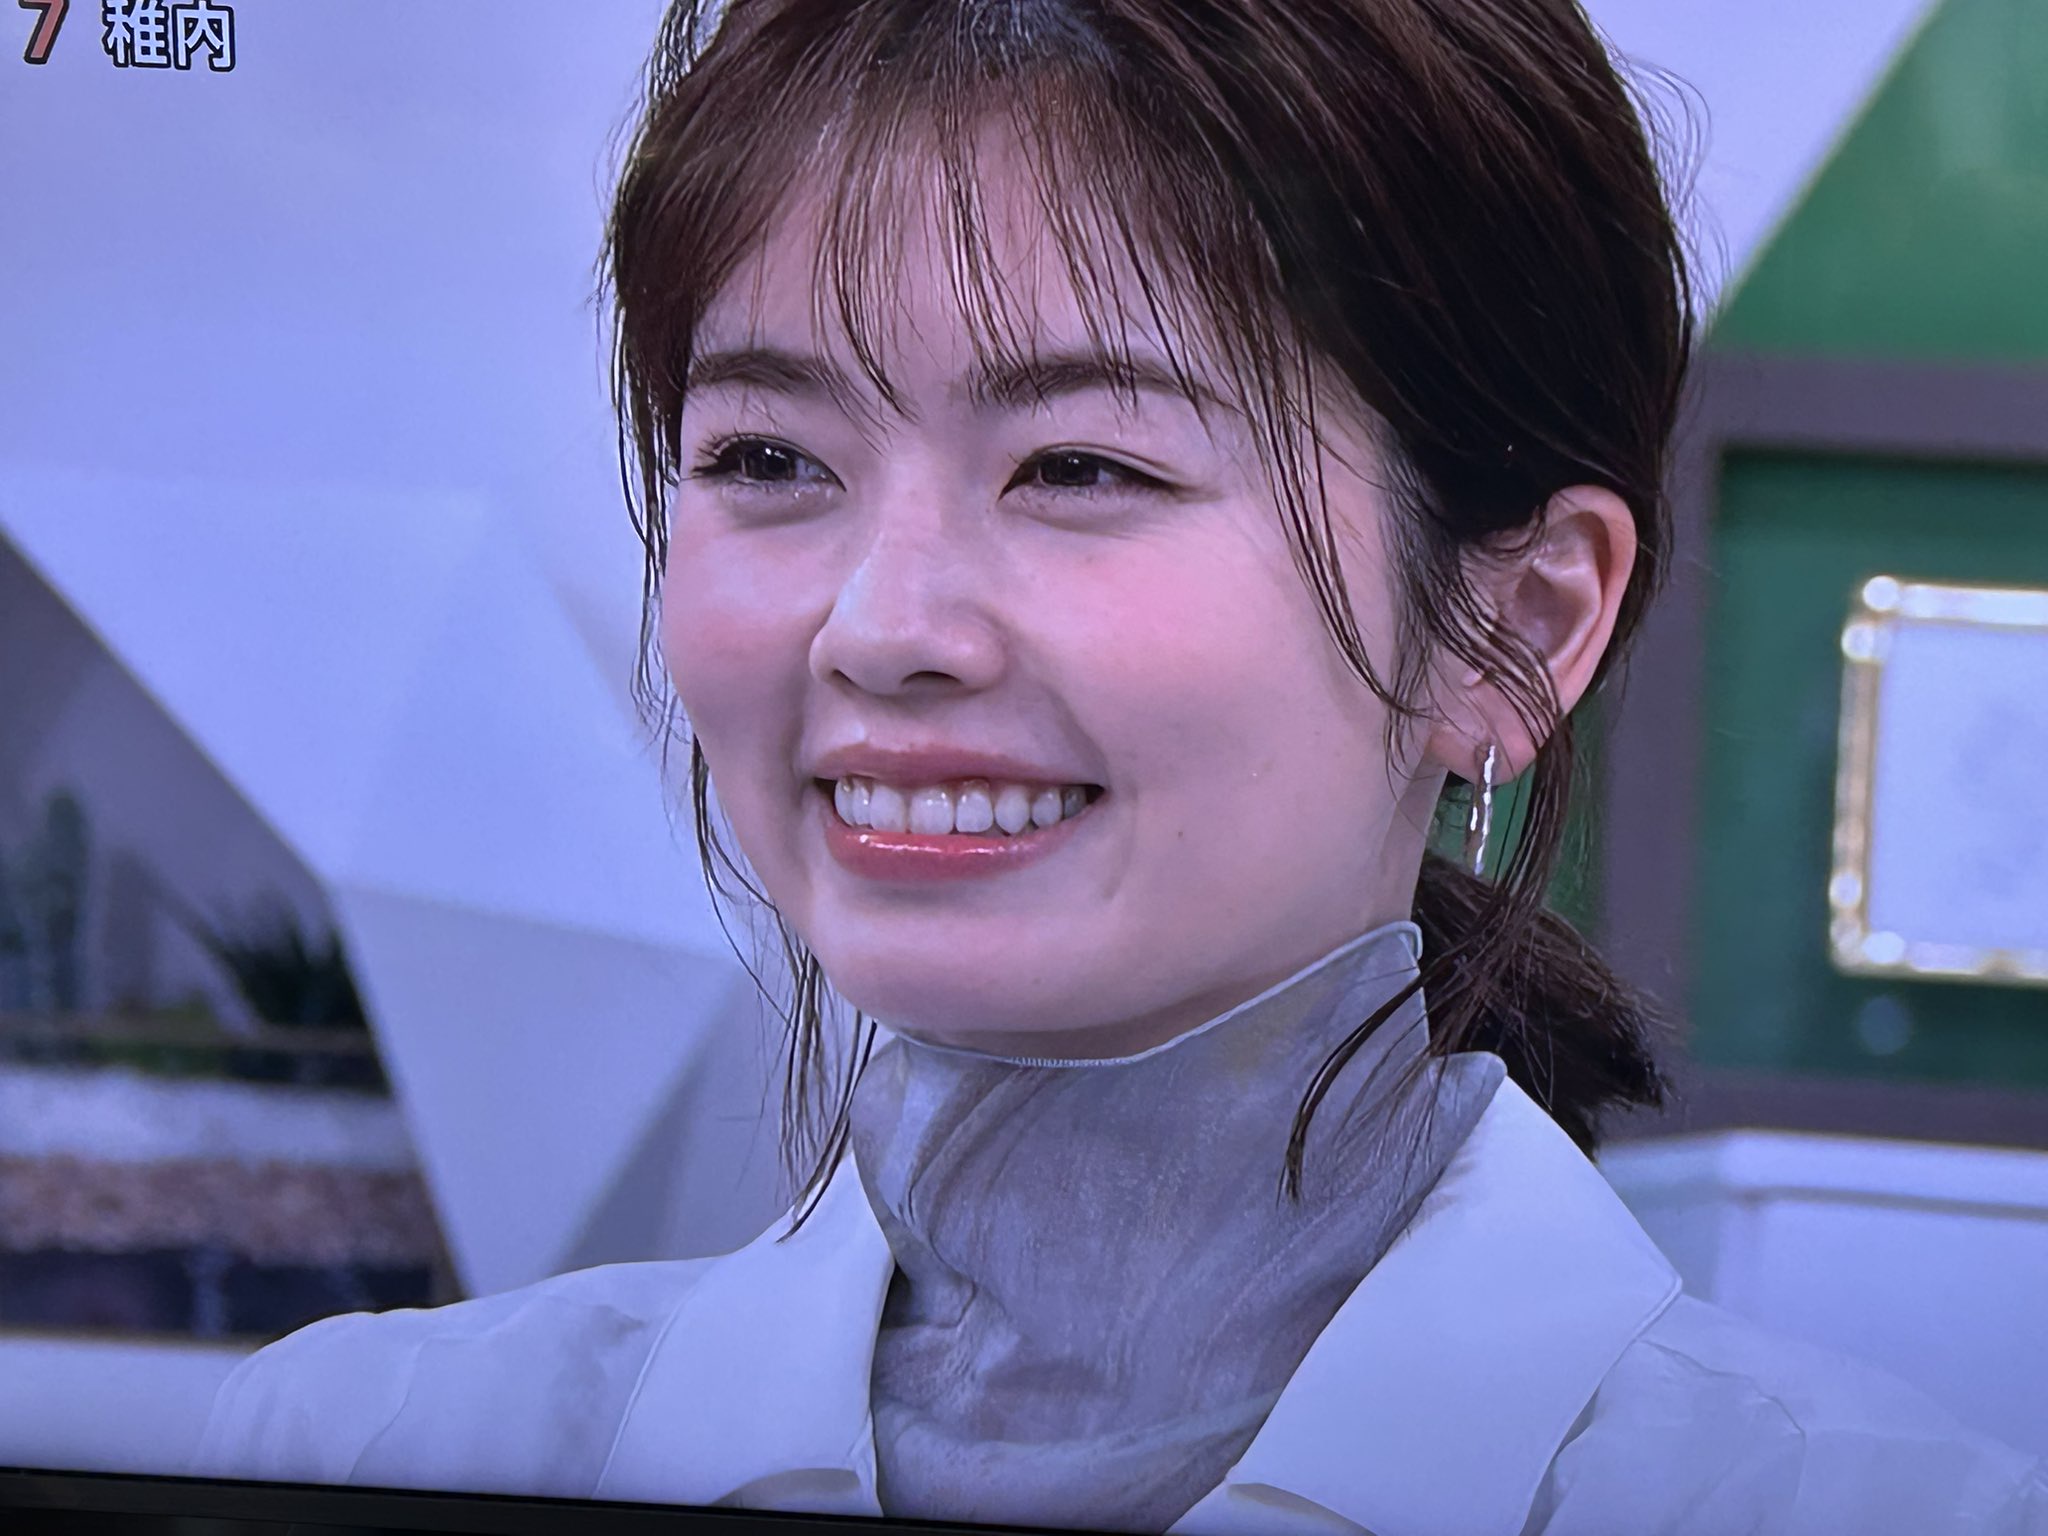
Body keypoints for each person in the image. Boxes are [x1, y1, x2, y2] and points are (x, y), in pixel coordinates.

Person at [194, 1, 2048, 1531]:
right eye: (768, 458)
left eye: (1082, 466)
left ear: (1512, 625)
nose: (881, 626)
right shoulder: (363, 1453)